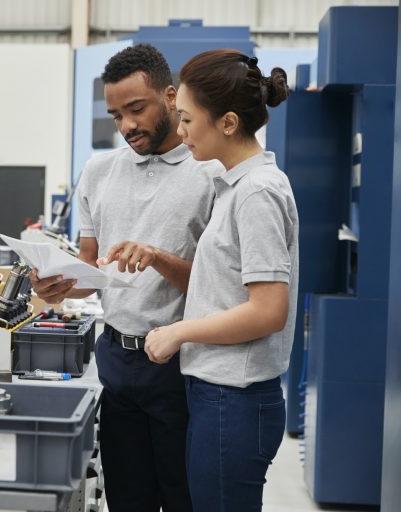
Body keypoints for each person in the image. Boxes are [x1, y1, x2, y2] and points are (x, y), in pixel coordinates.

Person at [30, 44, 221, 512]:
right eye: (116, 115)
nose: (127, 126)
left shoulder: (211, 173)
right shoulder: (98, 172)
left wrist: (157, 257)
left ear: (171, 97)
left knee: (184, 497)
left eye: (137, 109)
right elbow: (91, 269)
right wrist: (56, 284)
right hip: (115, 360)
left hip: (182, 363)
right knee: (127, 498)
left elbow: (220, 288)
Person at [144, 50, 298, 511]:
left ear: (228, 122)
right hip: (218, 394)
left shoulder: (258, 193)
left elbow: (269, 311)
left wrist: (178, 331)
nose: (182, 132)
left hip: (236, 399)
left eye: (188, 120)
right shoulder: (234, 186)